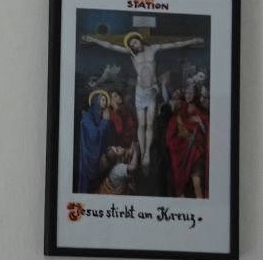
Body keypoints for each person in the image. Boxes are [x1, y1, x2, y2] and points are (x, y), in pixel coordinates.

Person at [83, 32, 203, 173]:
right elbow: (111, 46)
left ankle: (146, 153)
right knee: (142, 124)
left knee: (150, 124)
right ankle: (142, 150)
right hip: (140, 92)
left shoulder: (153, 48)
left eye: (135, 42)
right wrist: (93, 39)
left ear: (140, 40)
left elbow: (174, 44)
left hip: (151, 91)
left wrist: (193, 39)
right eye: (131, 45)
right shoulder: (132, 54)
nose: (134, 46)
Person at [165, 85, 209, 198]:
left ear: (195, 95)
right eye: (186, 93)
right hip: (181, 153)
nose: (188, 95)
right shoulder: (180, 112)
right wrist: (182, 138)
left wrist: (200, 123)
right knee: (181, 187)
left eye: (190, 93)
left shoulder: (201, 113)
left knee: (197, 183)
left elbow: (208, 135)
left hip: (196, 152)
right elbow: (171, 134)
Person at [78, 89, 111, 194]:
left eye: (106, 100)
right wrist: (105, 121)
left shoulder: (101, 115)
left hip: (100, 156)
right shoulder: (87, 117)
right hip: (89, 156)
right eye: (102, 100)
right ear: (95, 101)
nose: (105, 102)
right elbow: (94, 136)